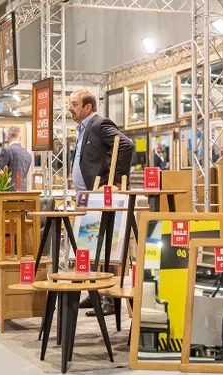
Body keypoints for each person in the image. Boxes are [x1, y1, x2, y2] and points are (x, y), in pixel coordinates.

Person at [69, 89, 134, 316]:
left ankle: (109, 298)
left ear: (88, 107)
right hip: (87, 196)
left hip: (100, 196)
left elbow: (126, 145)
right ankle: (95, 293)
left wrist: (114, 181)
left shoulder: (99, 124)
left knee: (108, 247)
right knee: (91, 245)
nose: (70, 107)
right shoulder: (83, 129)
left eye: (74, 104)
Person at [0, 126, 31, 191]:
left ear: (8, 138)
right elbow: (23, 174)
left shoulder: (6, 151)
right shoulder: (28, 154)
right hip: (22, 190)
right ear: (20, 138)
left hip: (8, 191)